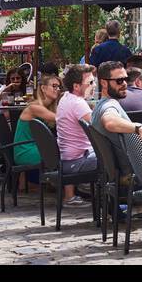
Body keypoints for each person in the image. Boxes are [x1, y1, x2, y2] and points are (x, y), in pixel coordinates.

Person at [56, 65, 96, 204]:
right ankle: (114, 203)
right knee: (116, 158)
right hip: (76, 162)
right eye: (90, 83)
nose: (94, 85)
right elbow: (100, 127)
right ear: (77, 86)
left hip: (67, 159)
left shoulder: (66, 97)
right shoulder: (78, 103)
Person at [12, 72, 62, 182]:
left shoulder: (47, 107)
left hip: (33, 148)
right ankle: (67, 187)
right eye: (54, 86)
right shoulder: (35, 107)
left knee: (64, 149)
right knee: (66, 152)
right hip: (25, 151)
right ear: (43, 88)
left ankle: (59, 184)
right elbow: (61, 119)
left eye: (59, 87)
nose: (57, 89)